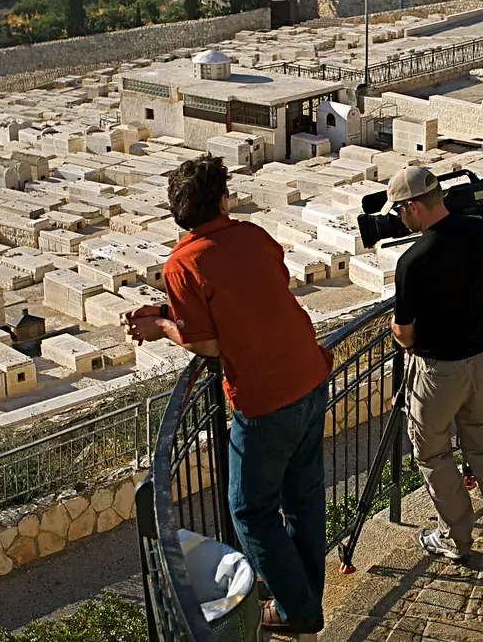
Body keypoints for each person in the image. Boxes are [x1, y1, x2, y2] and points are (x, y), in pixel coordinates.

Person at [123, 154, 333, 635]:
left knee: (250, 509)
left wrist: (160, 326)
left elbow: (207, 344)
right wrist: (163, 310)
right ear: (222, 199)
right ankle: (302, 597)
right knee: (303, 498)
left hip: (263, 397)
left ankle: (298, 608)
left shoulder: (181, 263)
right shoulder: (253, 236)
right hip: (308, 372)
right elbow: (256, 291)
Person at [388, 166, 483, 565]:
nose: (399, 218)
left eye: (400, 210)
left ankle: (455, 539)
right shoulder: (482, 231)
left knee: (433, 455)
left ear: (415, 207)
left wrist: (399, 331)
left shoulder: (413, 261)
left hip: (439, 372)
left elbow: (404, 333)